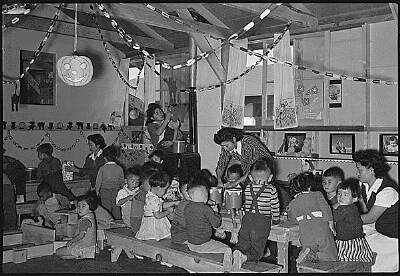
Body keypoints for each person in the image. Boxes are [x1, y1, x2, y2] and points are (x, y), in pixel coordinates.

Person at [352, 149, 398, 272]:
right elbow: (366, 210)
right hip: (379, 228)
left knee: (359, 248)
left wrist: (346, 220)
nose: (357, 173)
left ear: (371, 171)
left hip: (392, 237)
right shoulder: (365, 185)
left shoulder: (388, 191)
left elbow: (370, 217)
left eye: (359, 170)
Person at [232, 157, 280, 270]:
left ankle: (236, 254)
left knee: (243, 242)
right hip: (261, 221)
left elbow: (246, 203)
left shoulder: (248, 188)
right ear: (270, 177)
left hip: (247, 219)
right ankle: (244, 258)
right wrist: (276, 220)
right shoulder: (271, 189)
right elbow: (275, 207)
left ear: (249, 177)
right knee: (258, 249)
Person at [287, 172, 337, 263]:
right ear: (309, 187)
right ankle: (319, 257)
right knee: (331, 256)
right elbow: (326, 209)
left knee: (308, 253)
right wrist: (330, 223)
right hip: (322, 233)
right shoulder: (317, 194)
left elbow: (292, 220)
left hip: (306, 236)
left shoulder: (292, 204)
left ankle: (306, 259)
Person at [184, 184, 233, 272]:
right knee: (227, 249)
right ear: (206, 197)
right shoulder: (206, 209)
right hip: (202, 244)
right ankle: (227, 268)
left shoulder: (187, 207)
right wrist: (216, 212)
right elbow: (217, 224)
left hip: (190, 242)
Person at [333, 178, 374, 262]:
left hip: (346, 242)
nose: (341, 197)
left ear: (354, 198)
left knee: (342, 260)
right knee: (356, 258)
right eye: (339, 194)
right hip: (357, 240)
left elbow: (332, 217)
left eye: (345, 195)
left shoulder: (344, 209)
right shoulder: (353, 207)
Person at [135, 170, 179, 241]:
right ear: (158, 188)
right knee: (155, 239)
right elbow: (157, 215)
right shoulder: (153, 199)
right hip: (153, 224)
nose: (165, 192)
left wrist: (174, 203)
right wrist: (168, 211)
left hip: (154, 221)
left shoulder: (151, 196)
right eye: (165, 189)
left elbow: (160, 206)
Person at [56, 193, 97, 259]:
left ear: (90, 207)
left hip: (82, 248)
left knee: (58, 252)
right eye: (78, 206)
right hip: (89, 247)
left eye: (83, 206)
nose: (80, 209)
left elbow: (81, 236)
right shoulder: (90, 216)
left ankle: (79, 255)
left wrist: (71, 241)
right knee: (63, 256)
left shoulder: (85, 220)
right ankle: (81, 255)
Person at [95, 146, 125, 220]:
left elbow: (98, 181)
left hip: (105, 191)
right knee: (116, 207)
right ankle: (118, 221)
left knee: (106, 207)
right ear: (115, 157)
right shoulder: (119, 168)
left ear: (105, 158)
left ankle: (107, 221)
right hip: (116, 190)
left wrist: (97, 190)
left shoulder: (102, 168)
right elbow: (122, 181)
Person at [129, 166, 158, 235]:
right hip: (138, 222)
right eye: (150, 184)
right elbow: (152, 203)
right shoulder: (140, 193)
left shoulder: (147, 192)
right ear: (142, 183)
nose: (153, 187)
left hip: (145, 220)